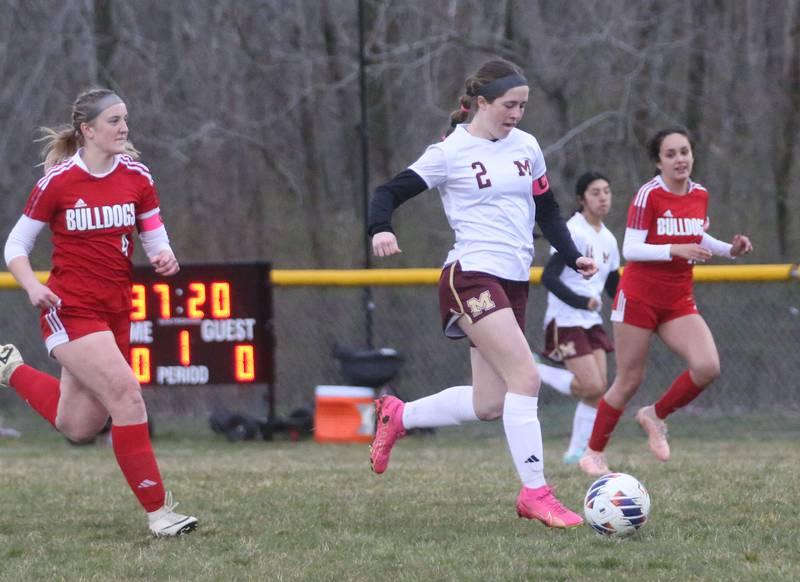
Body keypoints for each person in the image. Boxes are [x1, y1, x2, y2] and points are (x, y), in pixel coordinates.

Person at [367, 59, 598, 529]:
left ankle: (398, 414)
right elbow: (386, 194)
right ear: (482, 103)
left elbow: (548, 211)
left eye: (523, 105)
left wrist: (572, 255)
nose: (517, 113)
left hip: (512, 281)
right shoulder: (450, 152)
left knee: (489, 404)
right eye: (509, 105)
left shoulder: (527, 147)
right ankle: (536, 493)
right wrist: (380, 229)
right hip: (470, 276)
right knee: (526, 378)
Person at [0, 88, 198, 537]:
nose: (123, 127)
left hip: (115, 311)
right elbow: (15, 245)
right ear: (87, 130)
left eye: (125, 118)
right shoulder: (59, 181)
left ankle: (9, 368)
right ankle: (159, 513)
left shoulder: (136, 175)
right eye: (113, 120)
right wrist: (32, 285)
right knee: (127, 396)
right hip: (69, 310)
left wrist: (165, 255)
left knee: (79, 425)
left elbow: (153, 231)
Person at [578, 127, 753, 476]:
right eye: (670, 154)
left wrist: (729, 250)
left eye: (684, 152)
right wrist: (674, 249)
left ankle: (655, 415)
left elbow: (697, 235)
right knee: (629, 380)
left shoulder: (700, 193)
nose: (680, 159)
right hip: (639, 298)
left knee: (707, 367)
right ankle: (593, 453)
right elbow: (632, 248)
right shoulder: (648, 195)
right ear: (658, 162)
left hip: (677, 300)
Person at [535, 171, 620, 465]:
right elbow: (549, 278)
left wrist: (636, 305)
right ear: (582, 199)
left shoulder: (608, 238)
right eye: (596, 192)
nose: (603, 197)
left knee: (598, 390)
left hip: (590, 321)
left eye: (607, 191)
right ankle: (536, 371)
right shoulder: (574, 231)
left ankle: (576, 452)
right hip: (566, 319)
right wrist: (583, 301)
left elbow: (613, 285)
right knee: (592, 386)